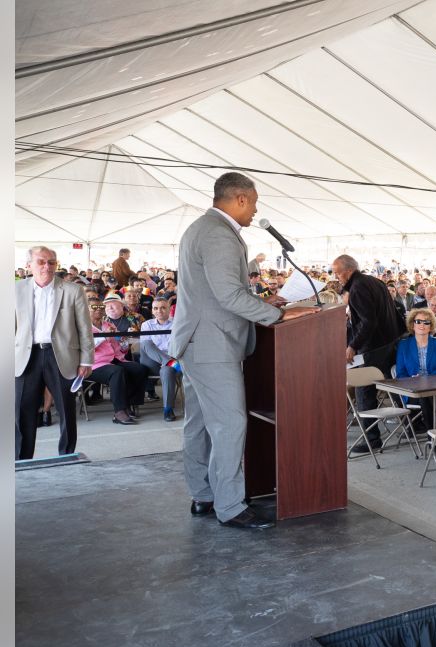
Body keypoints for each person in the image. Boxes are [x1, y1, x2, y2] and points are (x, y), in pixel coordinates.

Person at [171, 172, 317, 529]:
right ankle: (231, 506)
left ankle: (204, 495)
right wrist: (279, 314)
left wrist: (266, 299)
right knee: (229, 424)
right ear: (238, 199)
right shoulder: (219, 235)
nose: (254, 211)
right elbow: (228, 296)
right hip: (212, 344)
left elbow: (219, 291)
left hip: (196, 340)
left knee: (201, 425)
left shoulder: (200, 228)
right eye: (253, 202)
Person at [14, 246, 93, 459]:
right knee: (22, 413)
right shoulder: (14, 289)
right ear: (29, 265)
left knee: (67, 410)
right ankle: (21, 461)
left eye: (51, 262)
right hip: (26, 358)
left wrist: (86, 360)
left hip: (62, 357)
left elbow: (84, 328)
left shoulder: (72, 290)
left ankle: (66, 456)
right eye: (41, 261)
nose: (46, 267)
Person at [333, 254, 404, 454]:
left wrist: (352, 345)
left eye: (337, 272)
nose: (336, 276)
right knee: (393, 386)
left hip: (372, 347)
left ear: (348, 271)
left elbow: (367, 321)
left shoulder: (358, 287)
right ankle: (411, 427)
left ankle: (371, 439)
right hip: (389, 341)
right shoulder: (375, 281)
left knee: (364, 392)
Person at [88, 293, 149, 425]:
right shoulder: (82, 327)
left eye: (100, 306)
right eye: (94, 306)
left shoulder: (107, 325)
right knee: (117, 372)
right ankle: (119, 411)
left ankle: (130, 403)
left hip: (115, 359)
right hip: (95, 364)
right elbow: (86, 348)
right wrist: (104, 337)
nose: (98, 308)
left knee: (139, 369)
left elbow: (119, 348)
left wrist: (123, 343)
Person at [138, 296, 181, 421]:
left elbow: (179, 345)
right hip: (151, 362)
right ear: (152, 310)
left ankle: (168, 409)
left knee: (167, 371)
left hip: (171, 360)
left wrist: (168, 360)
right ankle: (171, 363)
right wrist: (166, 360)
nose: (159, 311)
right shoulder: (146, 324)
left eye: (163, 307)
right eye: (155, 308)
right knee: (145, 343)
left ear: (169, 309)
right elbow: (147, 348)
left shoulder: (177, 324)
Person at [395, 308, 436, 380]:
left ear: (431, 326)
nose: (422, 325)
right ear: (412, 325)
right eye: (418, 321)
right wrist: (412, 380)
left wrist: (426, 379)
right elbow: (400, 372)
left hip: (434, 385)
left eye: (426, 322)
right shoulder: (403, 345)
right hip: (410, 386)